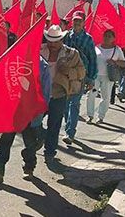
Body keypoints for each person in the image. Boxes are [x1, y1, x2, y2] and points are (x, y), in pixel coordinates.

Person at [0, 56, 51, 182]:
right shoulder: (11, 59)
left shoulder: (42, 65)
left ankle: (29, 167)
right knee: (5, 139)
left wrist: (39, 112)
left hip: (30, 112)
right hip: (12, 110)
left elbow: (46, 92)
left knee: (30, 142)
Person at [41, 25, 86, 162]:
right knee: (32, 125)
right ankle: (40, 139)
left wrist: (68, 71)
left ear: (61, 39)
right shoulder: (39, 50)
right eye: (50, 40)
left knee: (54, 125)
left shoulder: (72, 54)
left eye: (56, 40)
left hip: (58, 93)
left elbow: (81, 72)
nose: (52, 44)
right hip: (39, 93)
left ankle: (50, 152)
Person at [62, 11, 96, 145]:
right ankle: (67, 127)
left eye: (79, 21)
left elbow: (92, 59)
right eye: (75, 20)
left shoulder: (88, 39)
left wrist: (91, 78)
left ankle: (70, 133)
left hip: (80, 75)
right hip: (65, 74)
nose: (76, 23)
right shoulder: (66, 36)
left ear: (83, 23)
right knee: (64, 104)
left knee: (74, 104)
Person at [87, 30, 125, 124]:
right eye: (105, 35)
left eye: (109, 36)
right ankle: (90, 115)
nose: (106, 38)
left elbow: (124, 63)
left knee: (106, 97)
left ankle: (101, 116)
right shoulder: (96, 48)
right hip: (95, 76)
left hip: (108, 77)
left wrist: (115, 62)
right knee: (91, 95)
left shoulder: (117, 50)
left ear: (113, 38)